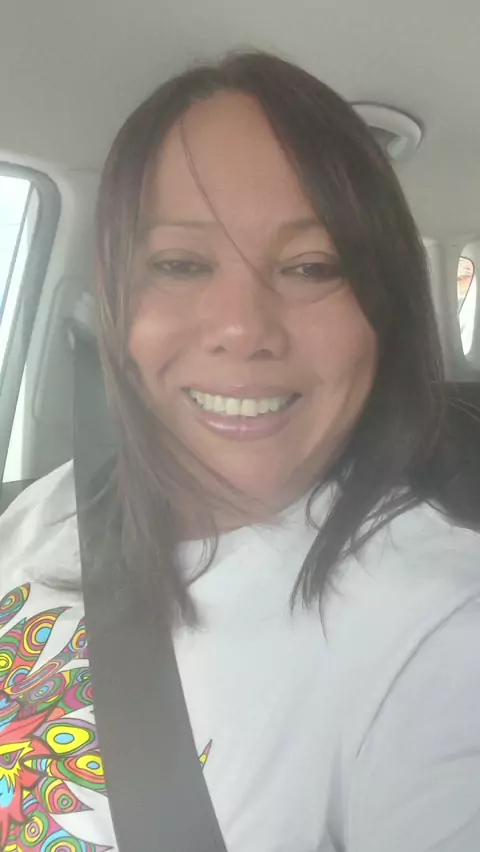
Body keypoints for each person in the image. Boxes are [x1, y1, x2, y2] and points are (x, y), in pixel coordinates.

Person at [0, 51, 479, 852]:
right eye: (180, 264)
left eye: (311, 267)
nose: (242, 328)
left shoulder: (441, 634)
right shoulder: (55, 503)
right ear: (113, 302)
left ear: (384, 314)